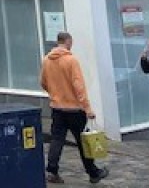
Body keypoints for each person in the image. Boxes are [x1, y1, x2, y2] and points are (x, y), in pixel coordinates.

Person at [40, 31, 109, 184]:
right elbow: (79, 87)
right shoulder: (71, 61)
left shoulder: (46, 60)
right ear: (68, 41)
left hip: (57, 108)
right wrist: (88, 108)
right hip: (74, 109)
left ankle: (52, 170)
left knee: (57, 140)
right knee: (83, 142)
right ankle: (93, 172)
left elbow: (43, 82)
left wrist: (55, 94)